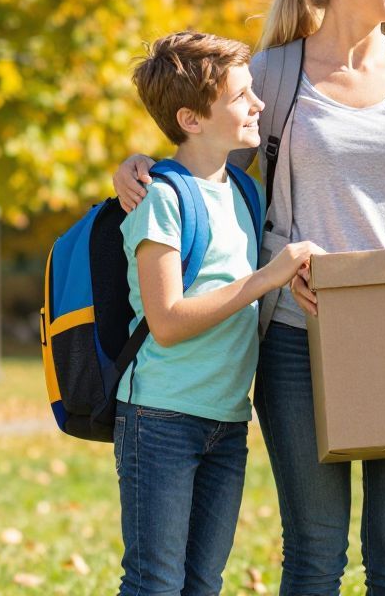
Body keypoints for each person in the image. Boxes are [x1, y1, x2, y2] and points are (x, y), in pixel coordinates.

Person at [115, 0, 385, 596]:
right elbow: (208, 154)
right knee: (315, 554)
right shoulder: (277, 74)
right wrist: (140, 166)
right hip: (298, 340)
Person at [115, 31, 316, 596]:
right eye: (241, 97)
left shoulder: (244, 193)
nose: (258, 104)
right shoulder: (162, 198)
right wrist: (265, 279)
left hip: (227, 420)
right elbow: (168, 321)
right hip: (159, 418)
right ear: (192, 119)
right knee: (155, 582)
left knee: (204, 581)